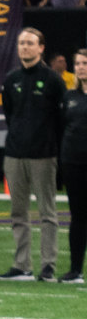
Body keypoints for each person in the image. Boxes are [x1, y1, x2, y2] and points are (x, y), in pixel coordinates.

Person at [0, 26, 66, 281]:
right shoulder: (11, 79)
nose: (24, 47)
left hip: (44, 154)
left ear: (41, 48)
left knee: (47, 212)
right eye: (21, 43)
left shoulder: (52, 80)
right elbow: (10, 115)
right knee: (18, 212)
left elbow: (61, 120)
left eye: (30, 43)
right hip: (14, 153)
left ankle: (48, 264)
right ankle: (21, 264)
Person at [59, 49, 87, 284]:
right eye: (77, 63)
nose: (80, 67)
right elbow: (61, 129)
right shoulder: (69, 96)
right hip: (73, 163)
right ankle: (75, 269)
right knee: (78, 217)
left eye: (85, 63)